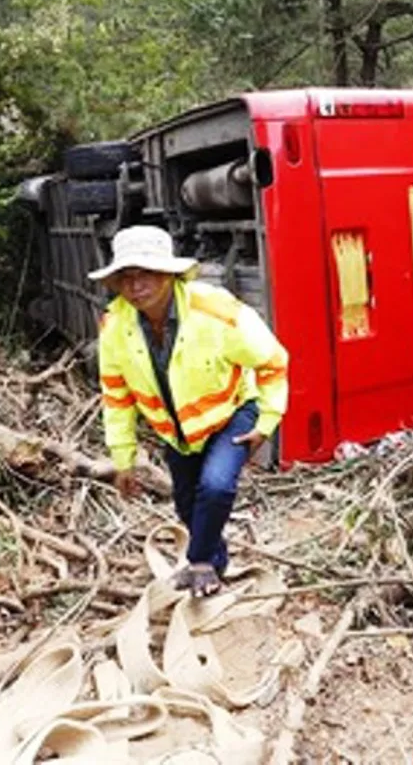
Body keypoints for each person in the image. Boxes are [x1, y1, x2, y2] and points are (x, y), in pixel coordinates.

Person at [90, 225, 288, 597]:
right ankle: (215, 565)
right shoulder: (115, 326)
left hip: (233, 411)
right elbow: (116, 396)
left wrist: (267, 420)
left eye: (145, 273)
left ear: (169, 273)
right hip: (177, 432)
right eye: (126, 277)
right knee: (186, 505)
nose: (135, 286)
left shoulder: (215, 310)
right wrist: (123, 459)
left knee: (215, 487)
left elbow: (273, 361)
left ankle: (198, 563)